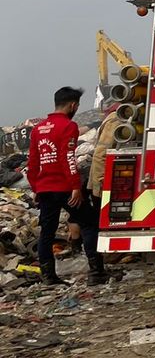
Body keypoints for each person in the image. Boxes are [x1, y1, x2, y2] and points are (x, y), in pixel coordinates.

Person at [27, 87, 106, 286]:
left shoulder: (38, 129)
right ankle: (96, 272)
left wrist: (36, 188)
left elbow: (33, 163)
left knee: (47, 232)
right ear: (72, 105)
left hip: (45, 189)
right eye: (77, 106)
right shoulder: (68, 126)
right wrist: (75, 187)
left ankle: (48, 277)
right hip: (65, 188)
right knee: (89, 223)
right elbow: (67, 158)